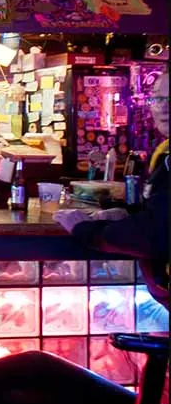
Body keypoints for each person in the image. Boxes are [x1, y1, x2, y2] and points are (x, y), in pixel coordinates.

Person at [54, 72, 169, 310]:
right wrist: (129, 216)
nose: (164, 108)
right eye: (158, 99)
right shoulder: (165, 154)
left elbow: (157, 235)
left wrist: (87, 231)